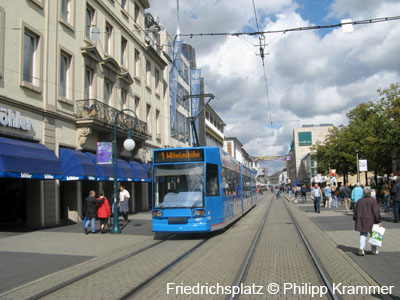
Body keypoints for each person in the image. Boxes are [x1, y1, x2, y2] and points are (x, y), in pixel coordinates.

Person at [353, 186, 382, 255]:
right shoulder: (373, 201)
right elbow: (376, 211)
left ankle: (361, 248)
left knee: (363, 234)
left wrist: (355, 218)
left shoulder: (359, 201)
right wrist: (379, 220)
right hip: (371, 220)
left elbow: (355, 211)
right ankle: (373, 250)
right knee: (373, 235)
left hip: (361, 219)